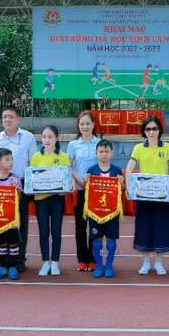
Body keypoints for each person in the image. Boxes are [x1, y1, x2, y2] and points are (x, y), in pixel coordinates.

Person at [124, 115, 169, 275]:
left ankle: (160, 262)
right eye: (148, 129)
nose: (151, 132)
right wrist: (129, 186)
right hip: (144, 195)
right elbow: (128, 169)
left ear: (160, 130)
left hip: (162, 195)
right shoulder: (139, 148)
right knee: (143, 227)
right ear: (144, 131)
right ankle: (146, 262)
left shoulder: (167, 147)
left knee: (162, 227)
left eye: (154, 128)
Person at [0, 106, 37, 272]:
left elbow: (33, 163)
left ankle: (19, 259)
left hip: (19, 184)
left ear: (18, 119)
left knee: (21, 223)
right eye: (4, 117)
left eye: (10, 117)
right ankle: (4, 261)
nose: (7, 120)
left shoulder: (28, 138)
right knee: (2, 221)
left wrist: (29, 187)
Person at [30, 125, 70, 276]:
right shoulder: (35, 157)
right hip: (41, 199)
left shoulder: (64, 156)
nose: (47, 140)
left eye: (50, 137)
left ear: (57, 138)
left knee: (56, 230)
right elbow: (31, 178)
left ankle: (55, 262)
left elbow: (66, 178)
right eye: (44, 137)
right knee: (44, 230)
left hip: (57, 199)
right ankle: (45, 262)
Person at [84, 139, 124, 278]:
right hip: (95, 212)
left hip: (112, 212)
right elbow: (86, 190)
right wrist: (85, 181)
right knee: (97, 238)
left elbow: (123, 191)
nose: (104, 154)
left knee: (111, 239)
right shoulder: (92, 170)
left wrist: (121, 183)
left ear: (112, 153)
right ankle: (99, 265)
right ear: (96, 153)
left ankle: (109, 265)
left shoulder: (116, 170)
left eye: (107, 151)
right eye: (101, 152)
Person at [67, 110, 99, 271]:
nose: (85, 126)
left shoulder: (99, 143)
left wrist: (91, 184)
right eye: (82, 124)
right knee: (80, 226)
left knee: (95, 226)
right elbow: (69, 167)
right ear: (78, 126)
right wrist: (79, 182)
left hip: (95, 192)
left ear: (93, 125)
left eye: (88, 123)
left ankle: (92, 258)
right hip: (79, 191)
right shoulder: (73, 145)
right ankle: (81, 258)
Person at [0, 148, 23, 281]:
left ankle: (13, 267)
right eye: (7, 159)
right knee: (2, 243)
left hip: (12, 218)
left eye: (11, 159)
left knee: (13, 243)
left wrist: (15, 189)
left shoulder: (14, 178)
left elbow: (19, 197)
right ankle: (2, 266)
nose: (11, 162)